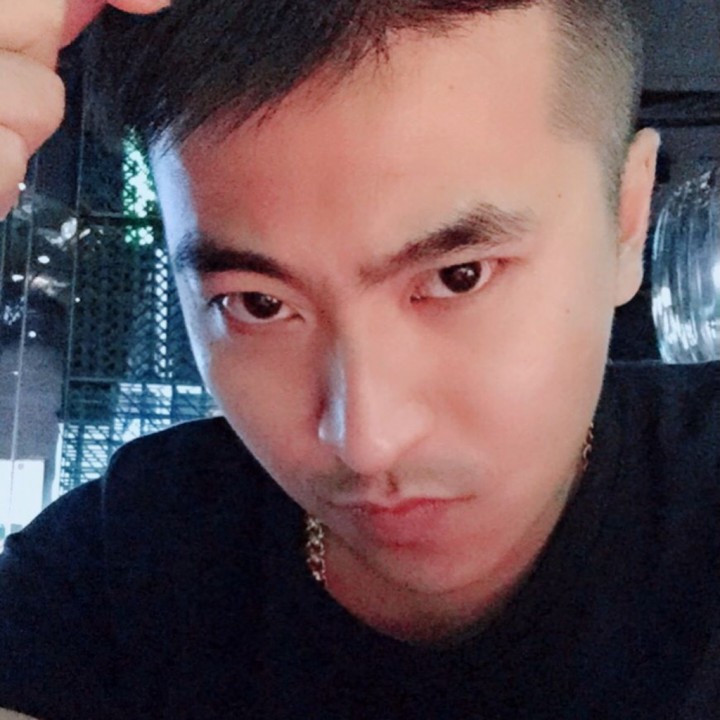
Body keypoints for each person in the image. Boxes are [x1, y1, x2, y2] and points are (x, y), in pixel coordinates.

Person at [0, 0, 718, 718]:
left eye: (459, 276)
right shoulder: (119, 574)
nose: (366, 441)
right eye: (259, 304)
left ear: (626, 220)